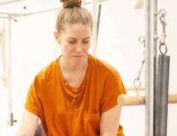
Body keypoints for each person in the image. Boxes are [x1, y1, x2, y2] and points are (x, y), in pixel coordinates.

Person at [16, 0, 126, 135]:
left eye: (86, 41)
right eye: (72, 41)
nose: (79, 49)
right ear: (57, 37)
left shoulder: (109, 78)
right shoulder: (42, 82)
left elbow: (108, 134)